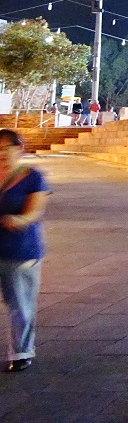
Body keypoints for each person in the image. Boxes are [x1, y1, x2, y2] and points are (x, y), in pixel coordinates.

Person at [0, 129, 51, 372]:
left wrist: (20, 220)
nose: (1, 154)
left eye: (5, 148)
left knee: (19, 303)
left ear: (18, 149)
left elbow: (35, 209)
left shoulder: (32, 177)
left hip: (20, 249)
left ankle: (21, 352)